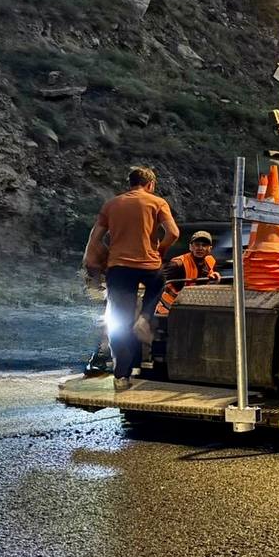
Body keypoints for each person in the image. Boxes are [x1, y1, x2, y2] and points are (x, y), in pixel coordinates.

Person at [82, 167, 179, 390]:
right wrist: (160, 251)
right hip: (149, 266)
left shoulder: (112, 204)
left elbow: (95, 238)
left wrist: (108, 255)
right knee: (157, 285)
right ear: (150, 184)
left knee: (120, 322)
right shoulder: (157, 202)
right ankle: (145, 318)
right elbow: (173, 233)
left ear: (130, 183)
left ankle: (121, 376)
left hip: (119, 269)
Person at [154, 230, 220, 318]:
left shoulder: (210, 261)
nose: (200, 248)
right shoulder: (178, 264)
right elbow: (156, 280)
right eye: (197, 245)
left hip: (191, 308)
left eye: (204, 245)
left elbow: (209, 276)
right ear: (190, 247)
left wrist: (214, 277)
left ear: (210, 248)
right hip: (168, 310)